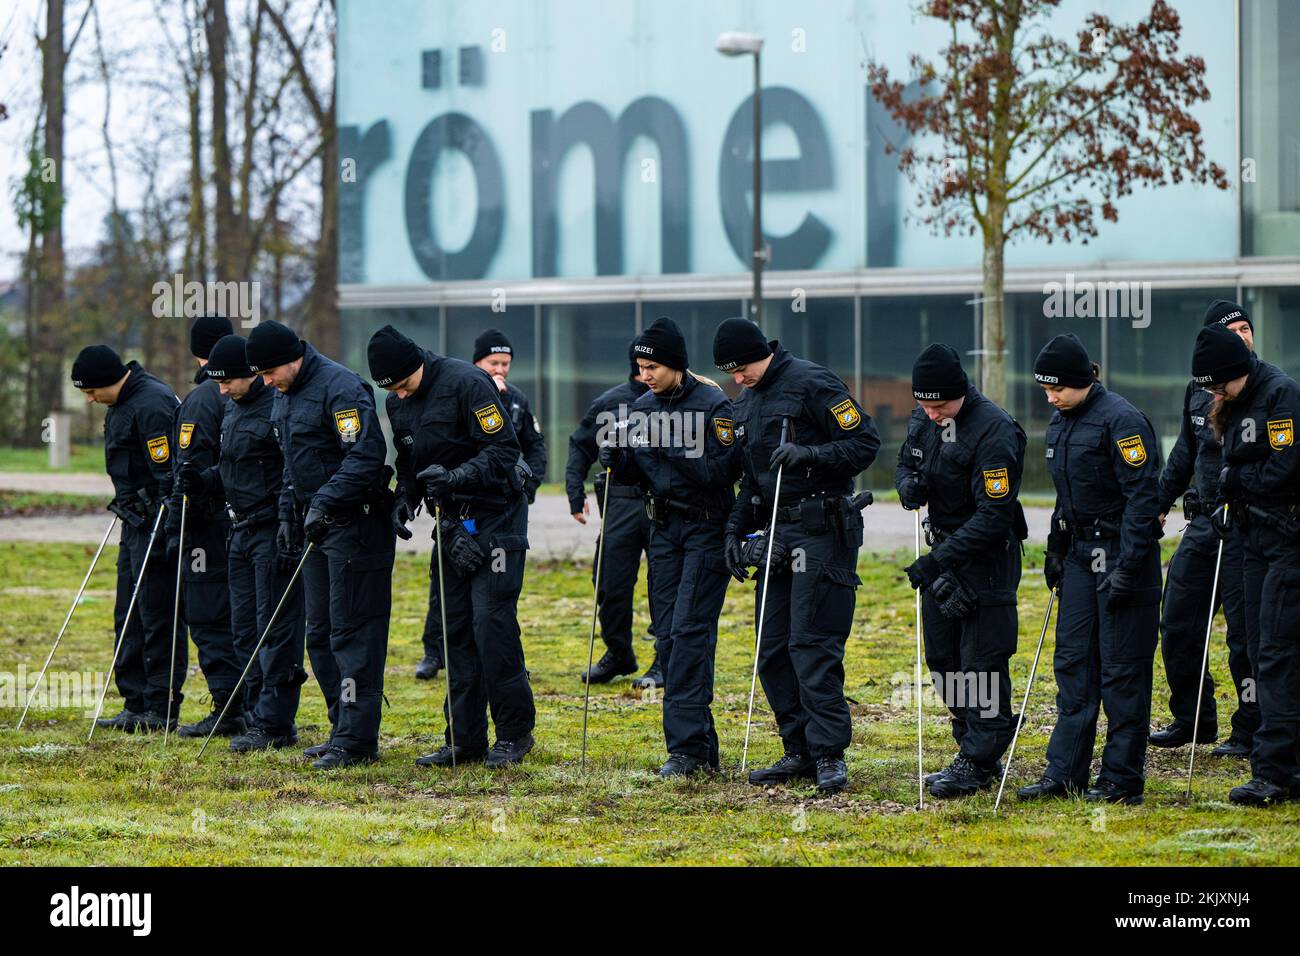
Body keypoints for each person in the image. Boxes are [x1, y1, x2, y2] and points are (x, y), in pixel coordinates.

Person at [715, 317, 880, 794]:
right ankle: (798, 749)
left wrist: (810, 455)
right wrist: (733, 531)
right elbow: (751, 480)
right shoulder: (744, 403)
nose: (737, 378)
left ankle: (830, 753)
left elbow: (865, 443)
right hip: (775, 533)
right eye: (729, 372)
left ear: (761, 353)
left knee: (812, 644)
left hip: (822, 528)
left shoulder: (813, 381)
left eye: (742, 367)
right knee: (773, 650)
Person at [370, 325, 537, 768]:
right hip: (451, 524)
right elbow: (409, 461)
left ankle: (515, 733)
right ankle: (463, 738)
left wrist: (457, 477)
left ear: (417, 367)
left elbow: (504, 450)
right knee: (455, 627)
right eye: (391, 391)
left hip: (497, 515)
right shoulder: (396, 399)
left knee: (491, 622)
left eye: (404, 385)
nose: (400, 396)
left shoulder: (468, 382)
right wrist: (404, 499)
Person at [1018, 333, 1162, 805]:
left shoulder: (1122, 421)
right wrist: (1056, 548)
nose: (1049, 397)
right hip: (1080, 556)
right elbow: (1065, 495)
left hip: (1123, 556)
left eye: (1056, 388)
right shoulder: (1060, 424)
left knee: (1122, 671)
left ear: (1082, 381)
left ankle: (1121, 779)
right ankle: (1065, 772)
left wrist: (1130, 564)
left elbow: (1144, 500)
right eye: (1044, 389)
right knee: (1074, 665)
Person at [246, 320, 395, 769]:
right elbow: (292, 458)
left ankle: (358, 740)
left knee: (352, 632)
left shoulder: (341, 388)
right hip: (317, 526)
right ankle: (339, 728)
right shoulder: (284, 393)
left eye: (270, 373)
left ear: (292, 358)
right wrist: (290, 511)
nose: (266, 383)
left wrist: (324, 501)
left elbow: (366, 457)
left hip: (355, 525)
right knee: (320, 632)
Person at [601, 319, 738, 776]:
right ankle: (694, 746)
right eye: (641, 366)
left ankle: (689, 750)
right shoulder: (640, 406)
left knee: (690, 634)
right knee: (667, 635)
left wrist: (668, 447)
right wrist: (619, 460)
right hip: (662, 532)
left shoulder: (713, 404)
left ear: (676, 365)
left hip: (704, 528)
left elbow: (721, 473)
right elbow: (638, 475)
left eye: (653, 365)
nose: (646, 374)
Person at [896, 344, 1027, 798]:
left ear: (961, 393)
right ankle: (975, 739)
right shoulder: (924, 418)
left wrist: (937, 561)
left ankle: (979, 758)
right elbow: (906, 462)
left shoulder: (994, 430)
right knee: (944, 661)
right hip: (943, 554)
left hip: (985, 559)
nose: (931, 414)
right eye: (924, 405)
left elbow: (994, 516)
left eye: (940, 405)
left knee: (981, 663)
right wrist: (908, 487)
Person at [1191, 323, 1300, 806]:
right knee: (1257, 648)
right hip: (1250, 537)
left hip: (1286, 540)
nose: (1216, 394)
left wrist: (1238, 477)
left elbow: (1285, 467)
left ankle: (1275, 771)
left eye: (1220, 384)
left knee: (1277, 652)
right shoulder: (1231, 402)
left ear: (1238, 371)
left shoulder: (1281, 395)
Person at [410, 327, 544, 682]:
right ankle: (433, 651)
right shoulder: (460, 390)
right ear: (477, 363)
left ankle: (503, 665)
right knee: (446, 595)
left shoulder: (515, 400)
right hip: (456, 514)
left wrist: (527, 486)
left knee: (493, 605)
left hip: (500, 509)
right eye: (493, 362)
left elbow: (531, 446)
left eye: (506, 363)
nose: (500, 368)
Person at [1150, 301, 1255, 757]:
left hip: (1247, 528)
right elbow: (1183, 455)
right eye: (1234, 330)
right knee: (1176, 623)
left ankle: (1252, 727)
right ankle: (1193, 718)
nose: (1244, 336)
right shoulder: (1197, 390)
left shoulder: (1266, 390)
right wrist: (1157, 504)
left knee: (1245, 637)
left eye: (1247, 328)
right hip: (1202, 522)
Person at [204, 334, 308, 752]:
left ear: (253, 374)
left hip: (271, 532)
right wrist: (205, 479)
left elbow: (289, 472)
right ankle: (252, 713)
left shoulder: (277, 407)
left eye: (228, 381)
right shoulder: (231, 410)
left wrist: (287, 520)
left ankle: (276, 721)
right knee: (243, 627)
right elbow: (234, 468)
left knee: (274, 628)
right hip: (239, 531)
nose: (222, 389)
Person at [71, 345, 182, 732]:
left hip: (156, 522)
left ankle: (160, 705)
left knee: (156, 613)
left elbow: (169, 474)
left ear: (106, 380)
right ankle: (134, 702)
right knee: (128, 612)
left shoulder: (152, 403)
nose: (88, 399)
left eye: (90, 391)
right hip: (132, 519)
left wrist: (166, 524)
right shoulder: (120, 402)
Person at [167, 315, 245, 738]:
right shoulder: (254, 391)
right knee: (238, 614)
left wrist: (176, 525)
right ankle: (247, 701)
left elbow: (189, 469)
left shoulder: (202, 399)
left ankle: (228, 705)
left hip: (205, 524)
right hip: (239, 523)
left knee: (208, 615)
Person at [566, 342, 660, 687]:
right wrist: (575, 493)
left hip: (662, 500)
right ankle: (619, 653)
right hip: (620, 500)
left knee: (664, 582)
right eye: (644, 365)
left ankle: (664, 658)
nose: (649, 373)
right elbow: (580, 446)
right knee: (609, 583)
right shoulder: (610, 403)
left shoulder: (676, 402)